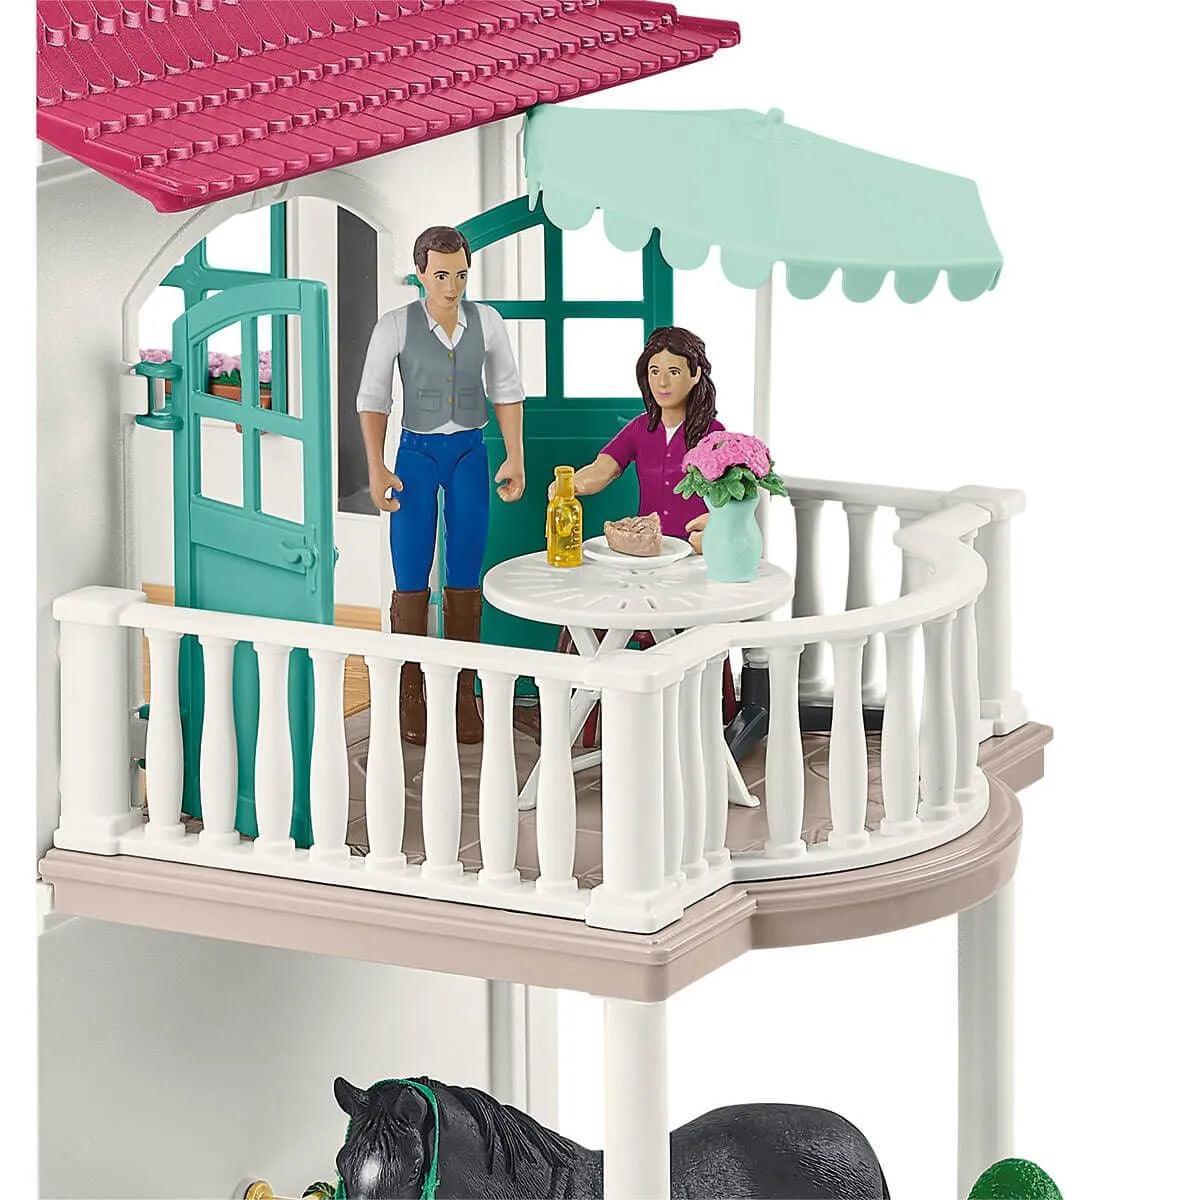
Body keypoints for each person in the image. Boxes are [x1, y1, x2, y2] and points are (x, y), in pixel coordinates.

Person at [357, 226, 526, 746]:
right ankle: (411, 691)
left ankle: (461, 695)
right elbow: (374, 398)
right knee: (410, 570)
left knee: (466, 569)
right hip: (416, 454)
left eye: (460, 275)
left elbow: (506, 389)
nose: (451, 287)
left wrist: (515, 454)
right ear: (420, 274)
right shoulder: (395, 326)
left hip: (470, 452)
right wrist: (376, 467)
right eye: (441, 276)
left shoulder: (487, 321)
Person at [554, 325, 721, 550]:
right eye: (654, 371)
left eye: (673, 372)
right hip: (647, 551)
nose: (662, 383)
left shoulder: (714, 435)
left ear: (695, 375)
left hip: (695, 551)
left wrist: (717, 528)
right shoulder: (640, 428)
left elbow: (734, 497)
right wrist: (571, 484)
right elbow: (603, 468)